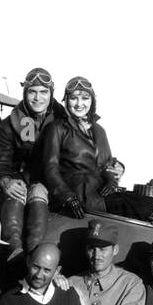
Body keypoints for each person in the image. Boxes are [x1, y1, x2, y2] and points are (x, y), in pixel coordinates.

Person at [0, 67, 65, 257]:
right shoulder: (10, 124)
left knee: (38, 191)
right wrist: (5, 181)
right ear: (25, 93)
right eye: (32, 92)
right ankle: (14, 251)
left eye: (43, 92)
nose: (38, 98)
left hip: (54, 186)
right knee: (17, 191)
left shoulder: (65, 122)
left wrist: (113, 166)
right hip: (20, 181)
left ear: (51, 94)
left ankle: (34, 253)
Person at [41, 76, 120, 218]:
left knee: (142, 205)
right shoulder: (57, 128)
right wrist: (67, 196)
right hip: (74, 193)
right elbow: (50, 168)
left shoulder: (99, 131)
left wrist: (111, 181)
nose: (79, 104)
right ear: (66, 100)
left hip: (97, 193)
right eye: (73, 98)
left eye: (85, 98)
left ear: (92, 101)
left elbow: (106, 164)